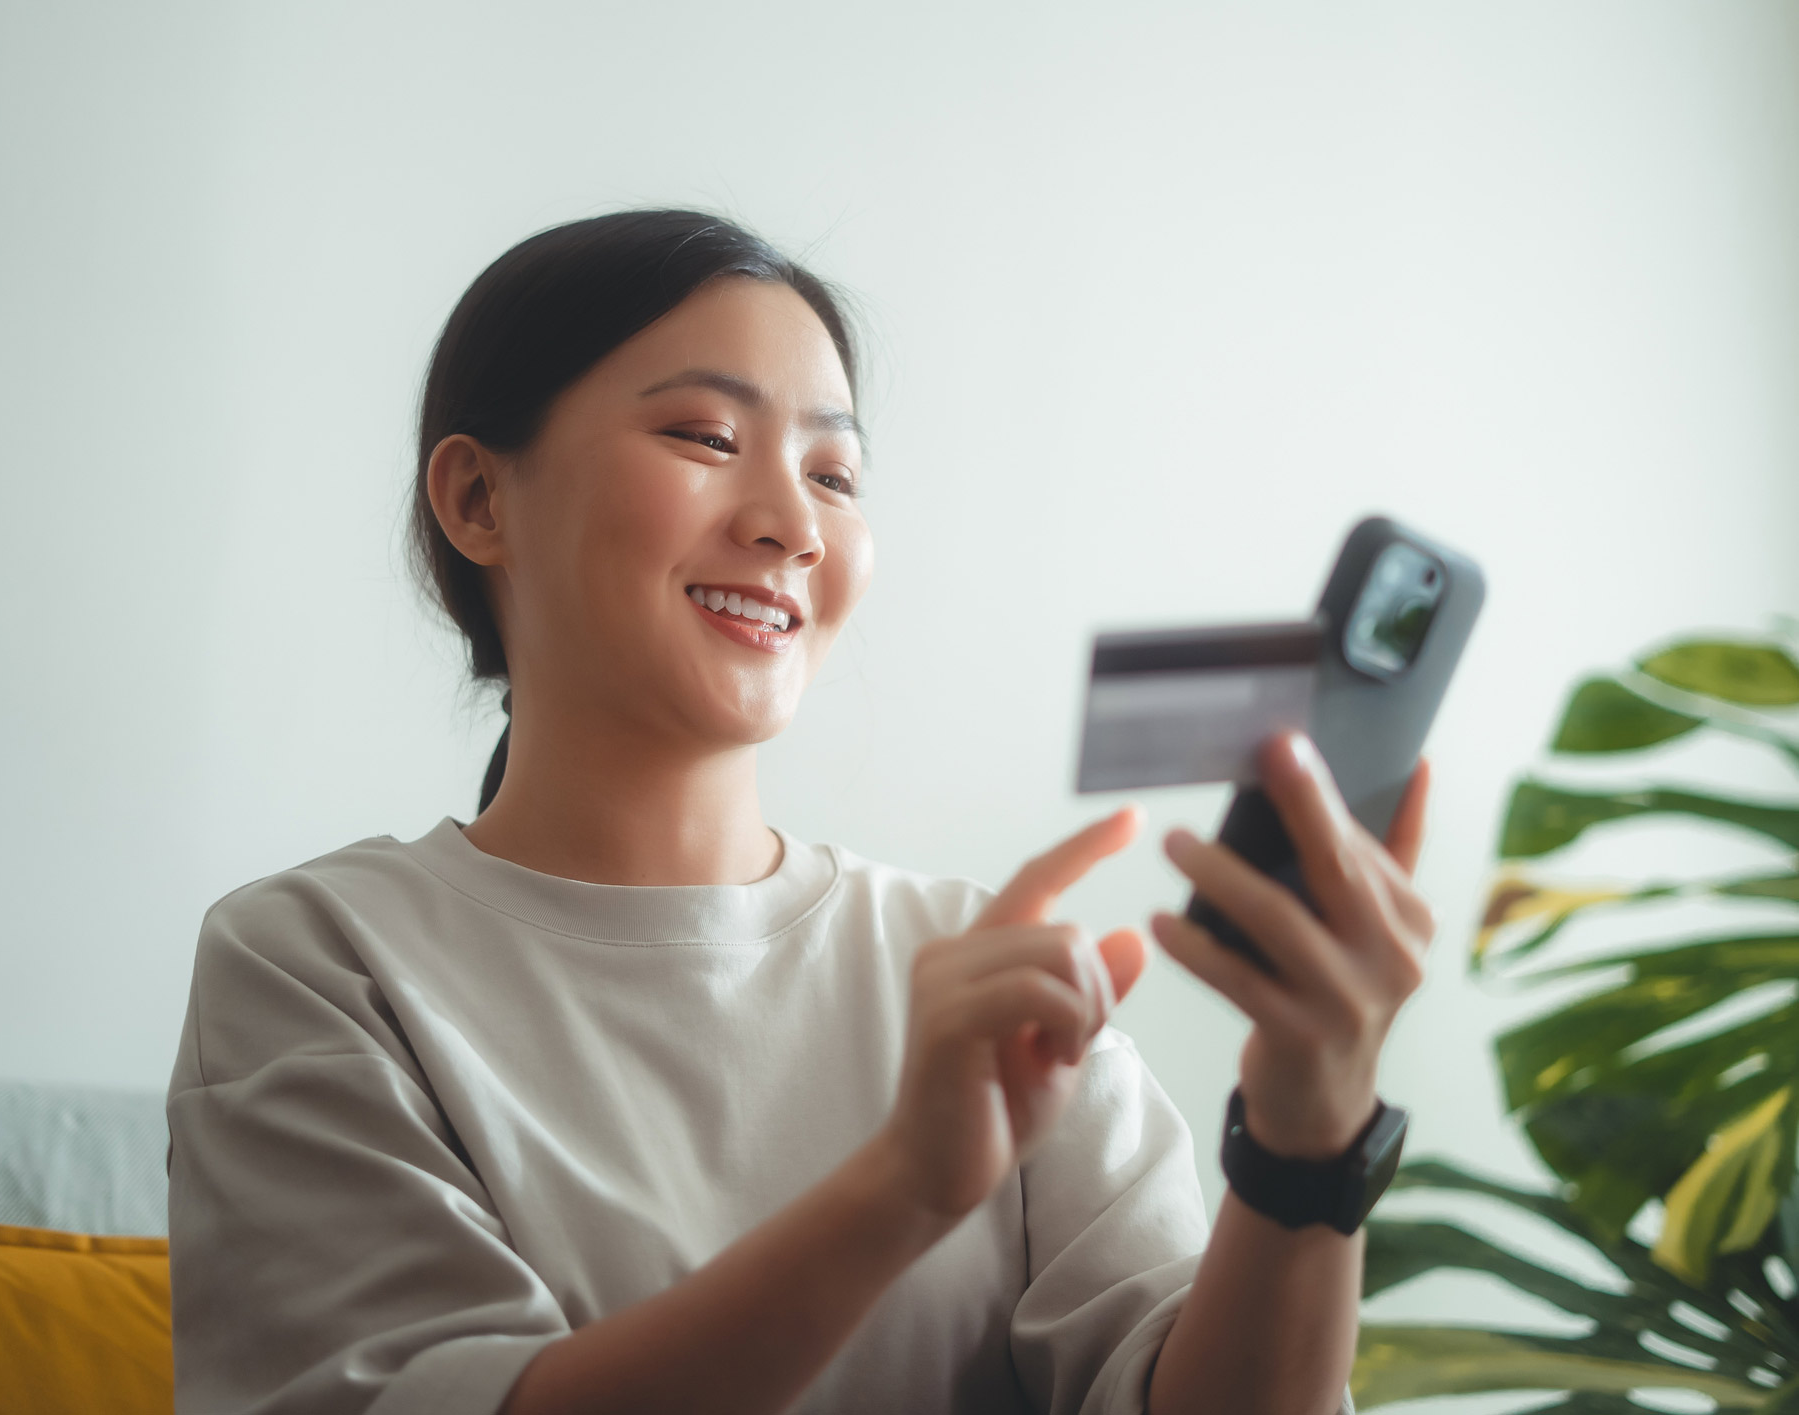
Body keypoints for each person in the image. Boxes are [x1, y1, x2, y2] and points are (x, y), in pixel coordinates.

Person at [166, 209, 1436, 1415]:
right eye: (706, 440)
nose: (790, 526)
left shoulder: (982, 970)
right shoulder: (318, 960)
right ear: (478, 500)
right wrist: (899, 1190)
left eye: (834, 472)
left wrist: (1306, 1129)